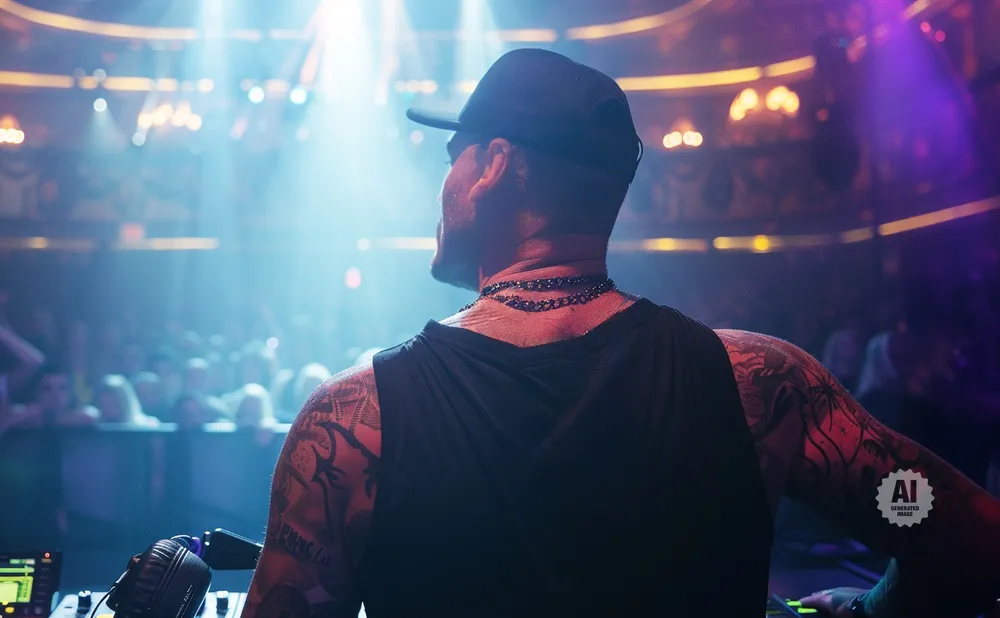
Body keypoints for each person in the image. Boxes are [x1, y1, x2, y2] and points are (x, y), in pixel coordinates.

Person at [241, 49, 1000, 618]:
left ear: (495, 167)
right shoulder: (758, 384)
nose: (441, 187)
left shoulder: (352, 425)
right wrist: (871, 610)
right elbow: (948, 525)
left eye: (453, 158)